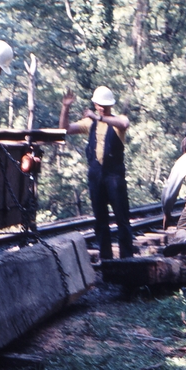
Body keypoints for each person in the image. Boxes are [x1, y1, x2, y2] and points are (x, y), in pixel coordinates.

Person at [59, 86, 133, 260]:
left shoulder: (117, 121)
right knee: (100, 219)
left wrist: (100, 117)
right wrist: (66, 107)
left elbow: (124, 124)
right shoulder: (90, 123)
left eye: (105, 106)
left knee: (122, 218)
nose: (102, 108)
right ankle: (106, 258)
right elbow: (65, 129)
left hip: (114, 174)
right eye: (100, 105)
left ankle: (127, 259)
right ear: (95, 104)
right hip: (96, 174)